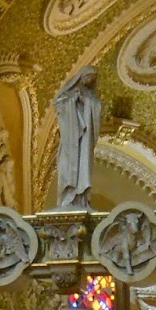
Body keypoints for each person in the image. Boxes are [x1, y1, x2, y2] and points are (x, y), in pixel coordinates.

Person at [53, 65, 101, 209]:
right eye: (89, 77)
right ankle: (68, 197)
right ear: (81, 76)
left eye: (93, 79)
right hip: (71, 138)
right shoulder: (69, 93)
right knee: (68, 164)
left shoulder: (92, 96)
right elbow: (58, 103)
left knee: (84, 165)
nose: (90, 81)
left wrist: (86, 101)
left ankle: (81, 198)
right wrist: (73, 100)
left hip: (84, 140)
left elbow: (97, 107)